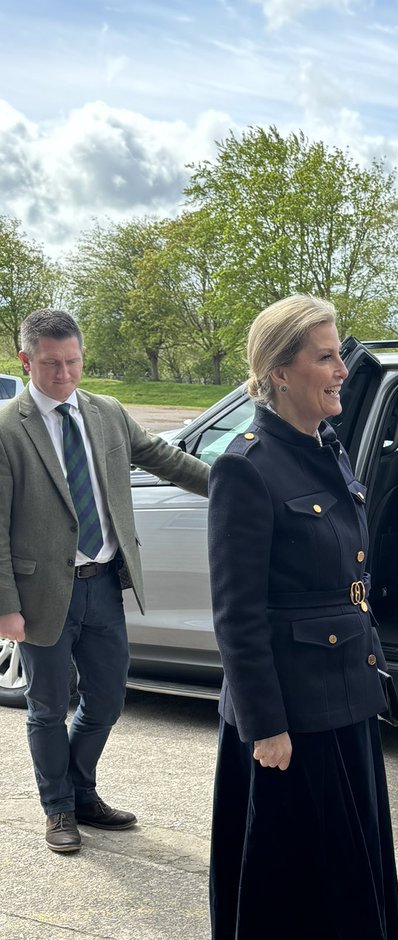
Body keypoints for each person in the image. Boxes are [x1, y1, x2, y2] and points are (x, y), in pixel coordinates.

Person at [207, 294, 398, 940]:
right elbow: (238, 614)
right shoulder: (246, 470)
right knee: (279, 855)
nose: (340, 369)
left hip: (339, 689)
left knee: (317, 851)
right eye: (324, 356)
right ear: (279, 370)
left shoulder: (324, 447)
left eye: (337, 353)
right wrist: (265, 724)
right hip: (286, 707)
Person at [0, 309, 210, 854]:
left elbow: (165, 458)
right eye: (51, 365)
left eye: (73, 362)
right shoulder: (6, 427)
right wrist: (5, 607)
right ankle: (60, 810)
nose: (65, 375)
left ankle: (79, 790)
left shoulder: (107, 412)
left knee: (108, 698)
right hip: (41, 593)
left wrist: (233, 485)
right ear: (26, 361)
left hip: (102, 585)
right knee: (48, 707)